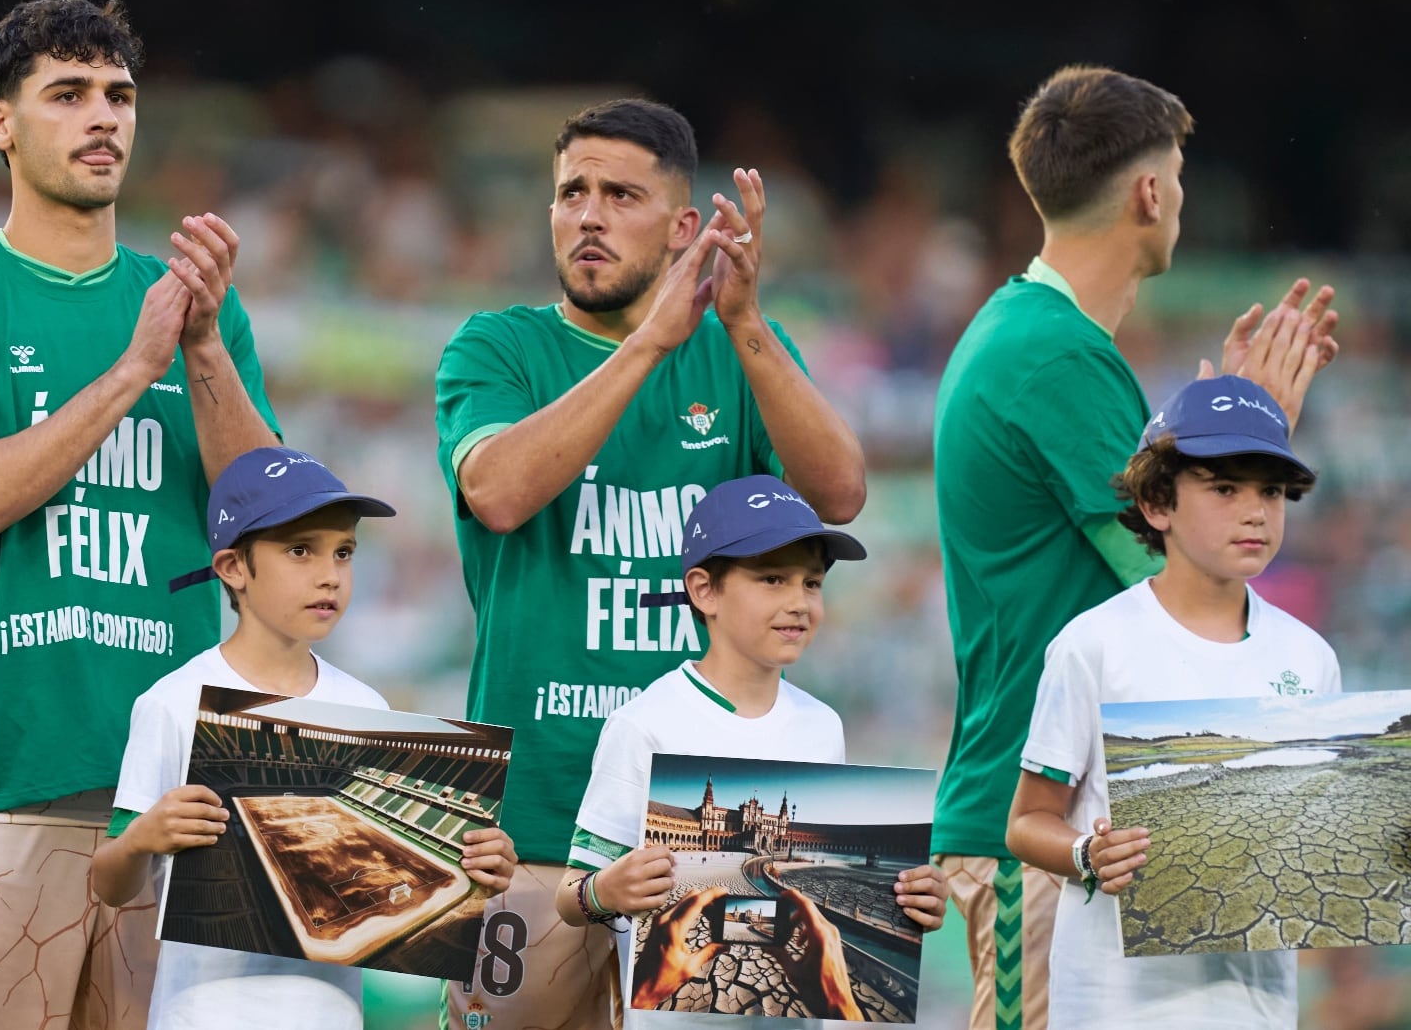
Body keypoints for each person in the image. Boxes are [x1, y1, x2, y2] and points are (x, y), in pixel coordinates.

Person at [0, 0, 280, 1029]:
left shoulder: (197, 312)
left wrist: (204, 350)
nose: (104, 117)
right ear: (0, 122)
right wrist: (135, 368)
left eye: (120, 95)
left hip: (175, 798)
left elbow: (268, 529)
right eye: (69, 93)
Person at [434, 98, 866, 1027]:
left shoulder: (739, 356)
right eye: (570, 193)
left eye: (620, 194)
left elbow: (839, 496)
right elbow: (499, 493)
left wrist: (745, 326)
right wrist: (650, 343)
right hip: (531, 830)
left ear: (681, 230)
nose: (587, 215)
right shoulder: (497, 346)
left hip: (700, 849)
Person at [929, 64, 1340, 1030]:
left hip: (1094, 818)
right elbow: (1182, 582)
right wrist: (1254, 437)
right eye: (1182, 178)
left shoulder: (1023, 334)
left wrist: (1217, 442)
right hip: (1046, 822)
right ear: (1151, 192)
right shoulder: (1056, 354)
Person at [91, 446, 517, 1029]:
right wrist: (143, 837)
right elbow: (110, 883)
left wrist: (478, 867)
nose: (329, 574)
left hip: (332, 1012)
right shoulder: (172, 701)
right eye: (300, 551)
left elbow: (410, 896)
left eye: (344, 552)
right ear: (233, 568)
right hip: (202, 1012)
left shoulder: (365, 707)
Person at [1005, 374, 1340, 1028]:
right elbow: (1025, 823)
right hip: (1115, 1004)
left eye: (1271, 491)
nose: (1255, 511)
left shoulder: (1310, 658)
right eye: (1223, 488)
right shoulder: (1093, 645)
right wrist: (1087, 856)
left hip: (1257, 1005)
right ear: (1158, 504)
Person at [554, 476, 946, 1025]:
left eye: (812, 583)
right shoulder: (644, 724)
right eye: (772, 579)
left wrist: (913, 904)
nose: (798, 603)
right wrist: (607, 891)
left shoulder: (821, 725)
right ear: (704, 590)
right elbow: (570, 896)